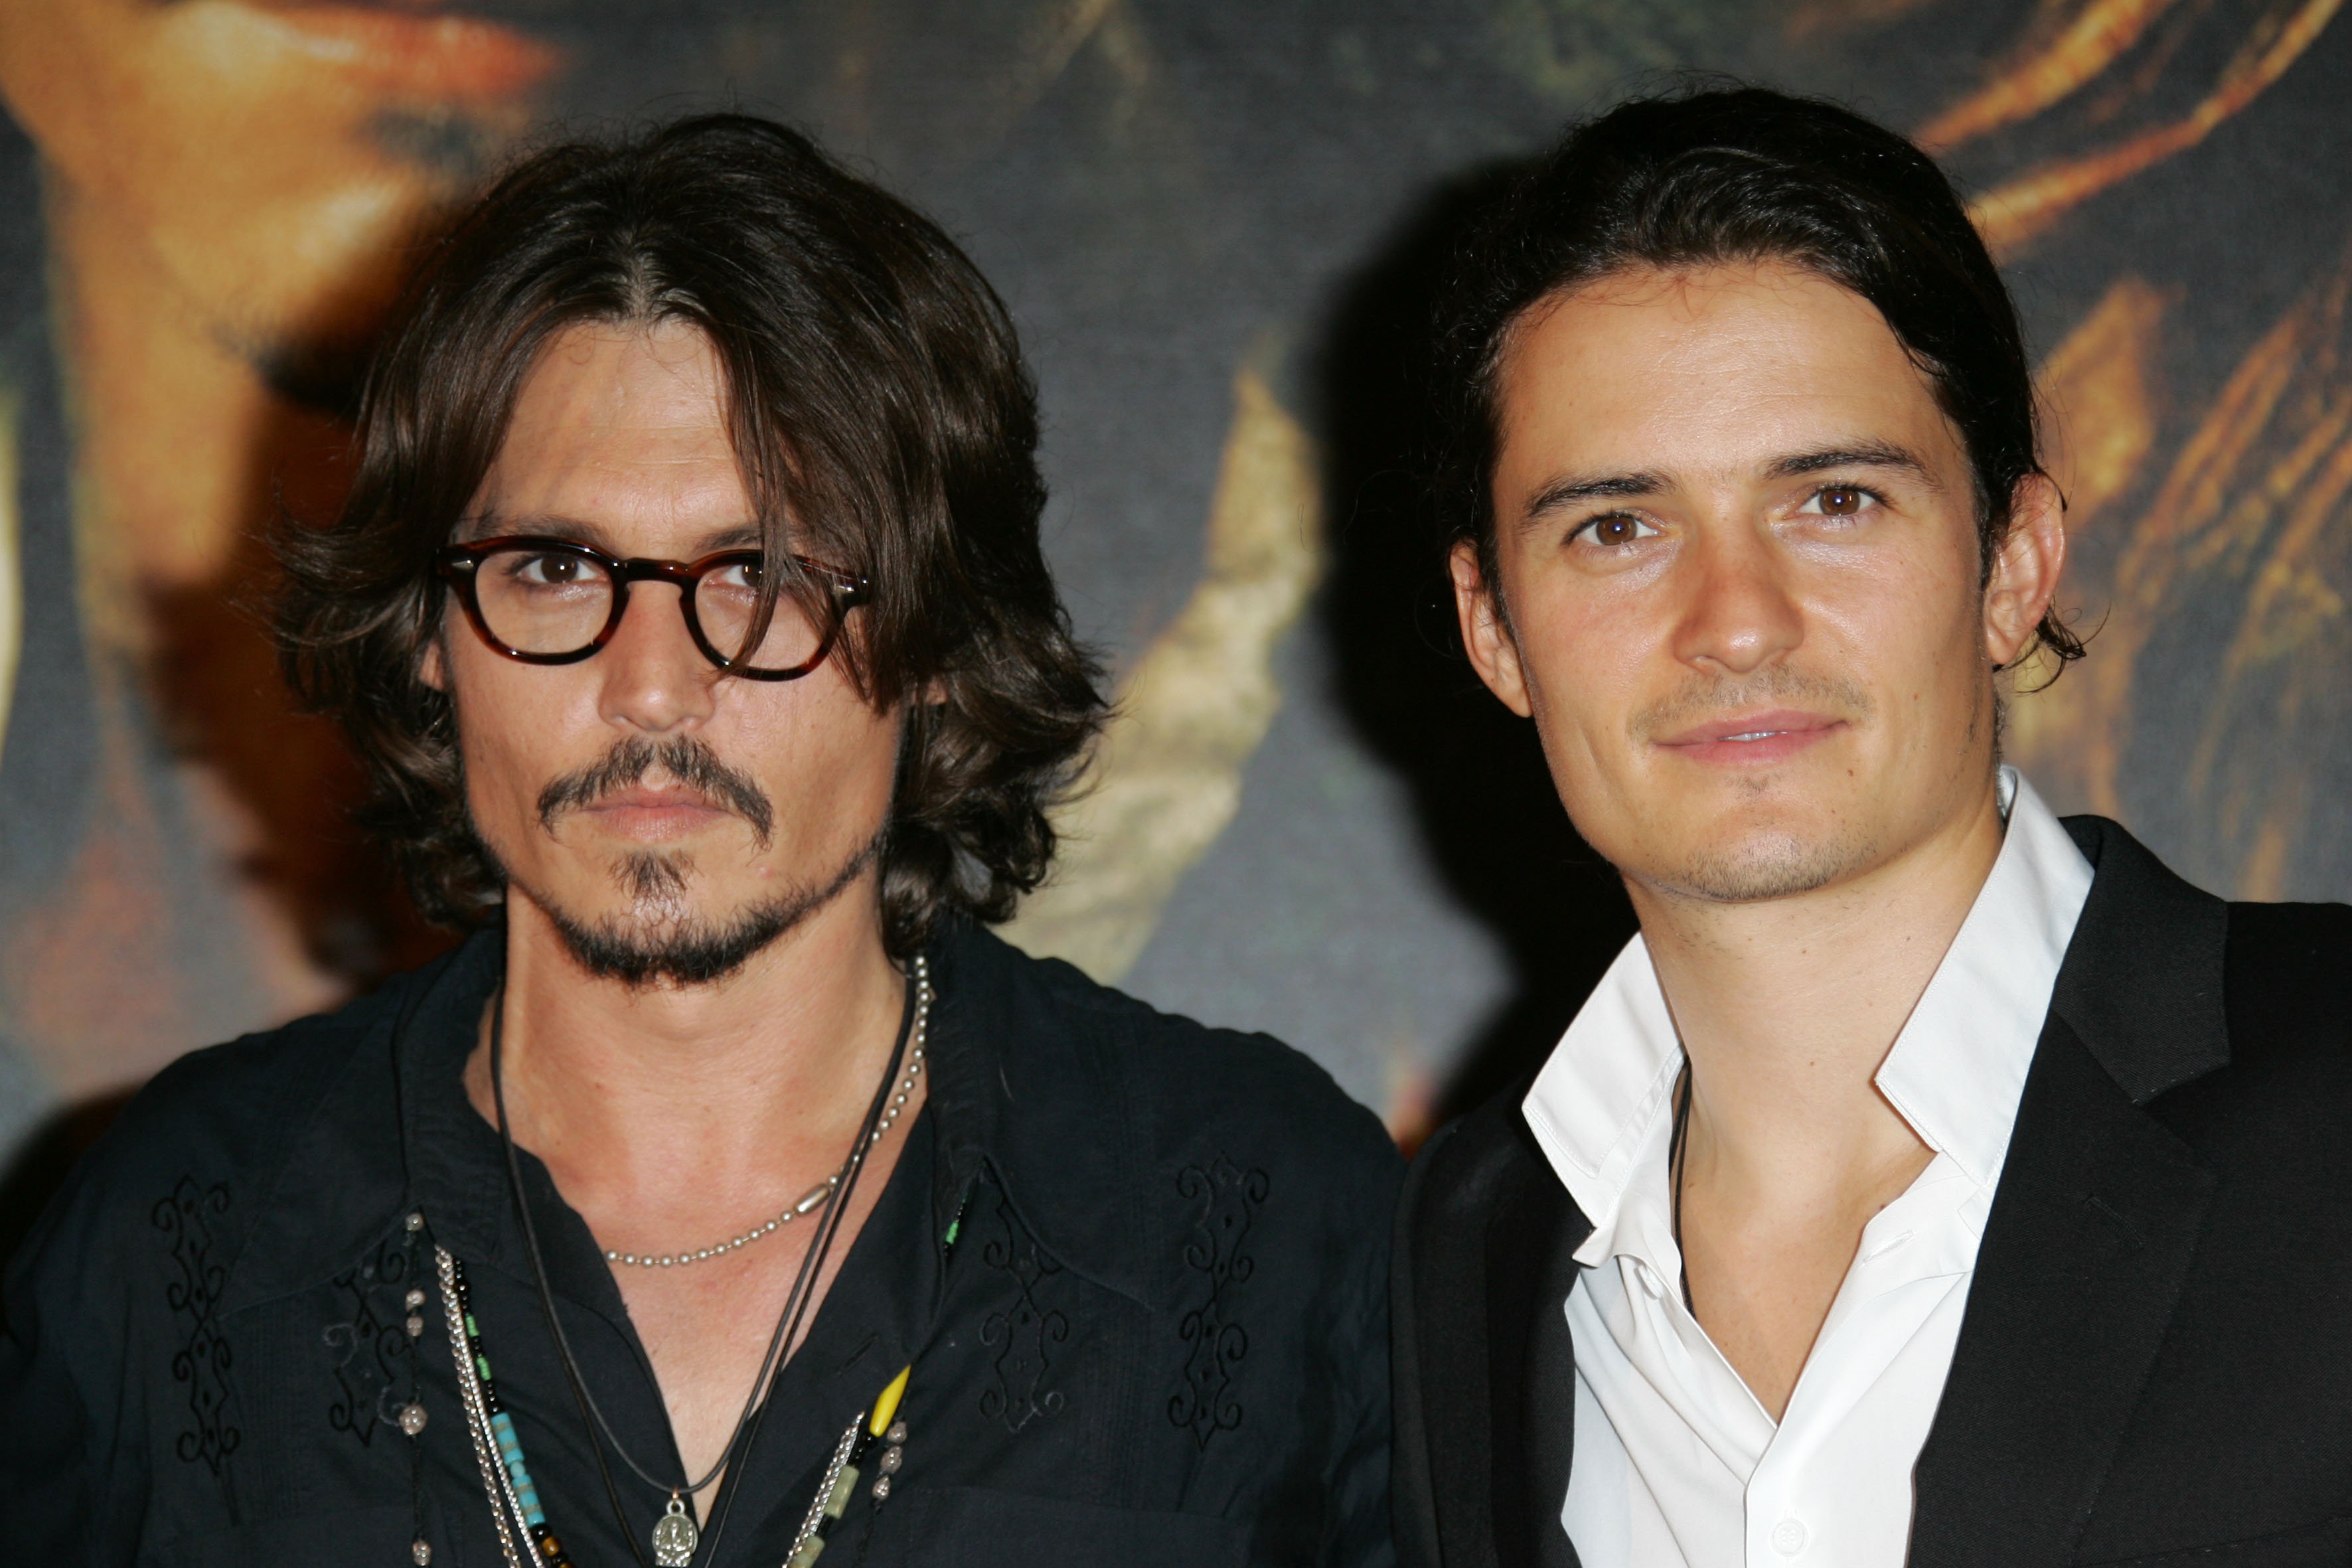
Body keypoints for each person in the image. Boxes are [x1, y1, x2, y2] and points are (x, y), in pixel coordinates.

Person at [0, 116, 1399, 1568]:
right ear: (429, 641)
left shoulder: (1255, 1214)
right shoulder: (180, 1236)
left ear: (931, 640)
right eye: (550, 568)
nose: (653, 685)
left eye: (763, 573)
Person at [1391, 86, 2352, 1568]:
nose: (1731, 621)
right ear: (1493, 629)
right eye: (1616, 527)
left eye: (1832, 499)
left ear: (2011, 564)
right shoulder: (1463, 1253)